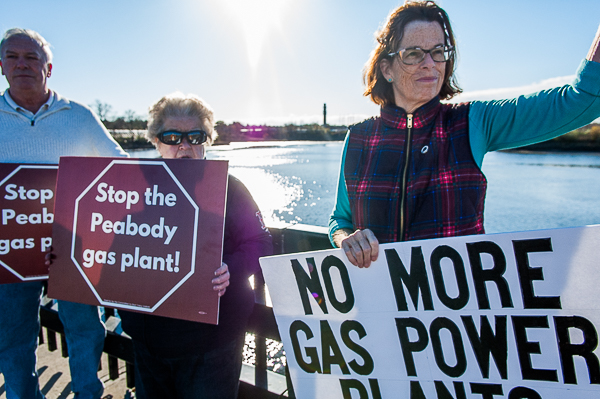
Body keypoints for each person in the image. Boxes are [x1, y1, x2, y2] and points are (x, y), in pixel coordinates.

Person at [329, 1, 600, 268]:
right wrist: (346, 240)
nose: (429, 64)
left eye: (438, 52)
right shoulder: (359, 138)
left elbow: (581, 101)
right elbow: (340, 220)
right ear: (387, 69)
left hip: (457, 309)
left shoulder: (474, 122)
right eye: (413, 53)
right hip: (381, 306)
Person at [118, 92, 273, 399]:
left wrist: (233, 268)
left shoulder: (230, 187)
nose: (184, 146)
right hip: (148, 340)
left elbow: (261, 242)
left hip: (212, 343)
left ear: (207, 141)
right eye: (172, 136)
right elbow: (107, 244)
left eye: (195, 136)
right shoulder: (129, 188)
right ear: (156, 141)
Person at [0, 28, 128, 399]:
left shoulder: (79, 116)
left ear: (48, 68)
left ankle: (88, 392)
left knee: (85, 327)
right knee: (13, 333)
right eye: (13, 57)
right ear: (2, 65)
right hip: (11, 251)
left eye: (32, 57)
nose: (22, 64)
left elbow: (119, 166)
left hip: (73, 246)